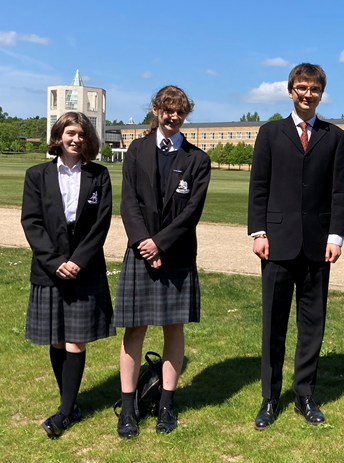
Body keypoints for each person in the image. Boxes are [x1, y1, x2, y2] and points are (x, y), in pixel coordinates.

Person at [248, 63, 344, 430]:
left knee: (313, 324)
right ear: (290, 90)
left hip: (318, 246)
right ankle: (270, 397)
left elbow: (340, 190)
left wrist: (336, 236)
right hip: (276, 243)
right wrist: (258, 233)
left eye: (315, 89)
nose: (308, 94)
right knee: (274, 324)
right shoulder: (270, 133)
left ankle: (305, 392)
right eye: (302, 88)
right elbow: (259, 185)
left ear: (322, 93)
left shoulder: (334, 136)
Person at [113, 85, 211, 437]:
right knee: (134, 330)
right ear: (155, 109)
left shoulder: (198, 158)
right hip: (140, 253)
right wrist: (144, 244)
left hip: (178, 255)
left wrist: (161, 245)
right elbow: (128, 203)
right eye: (167, 110)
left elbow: (191, 213)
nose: (173, 117)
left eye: (180, 112)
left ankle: (167, 405)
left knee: (174, 329)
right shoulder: (136, 150)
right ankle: (128, 410)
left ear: (185, 114)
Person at [21, 111, 114, 439]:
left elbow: (101, 223)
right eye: (70, 133)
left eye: (82, 134)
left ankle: (64, 412)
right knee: (57, 338)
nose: (76, 139)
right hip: (49, 268)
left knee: (75, 341)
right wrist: (55, 260)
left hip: (84, 269)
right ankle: (70, 402)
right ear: (58, 136)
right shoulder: (37, 175)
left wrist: (78, 260)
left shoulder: (99, 175)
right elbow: (31, 222)